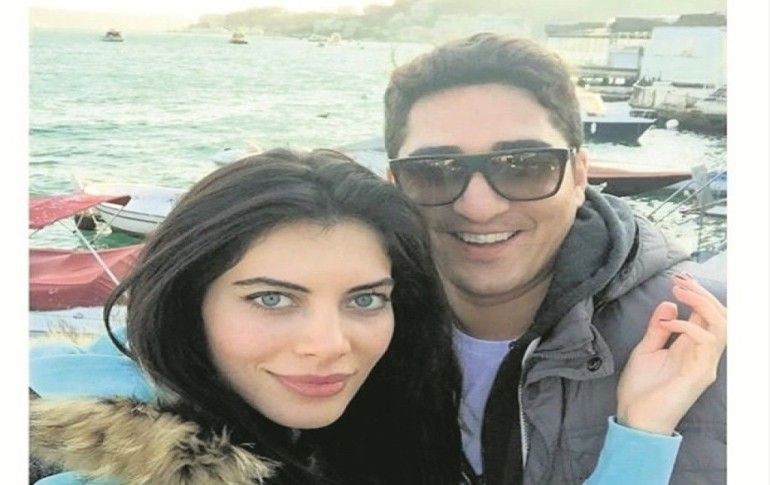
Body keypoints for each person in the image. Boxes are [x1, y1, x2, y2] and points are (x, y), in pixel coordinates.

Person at [383, 33, 726, 484]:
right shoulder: (344, 338)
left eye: (524, 165)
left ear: (579, 176)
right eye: (434, 172)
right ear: (394, 184)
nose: (479, 207)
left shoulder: (716, 337)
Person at [29, 148, 465, 484]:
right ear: (187, 302)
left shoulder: (385, 421)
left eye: (365, 300)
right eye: (272, 299)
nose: (329, 345)